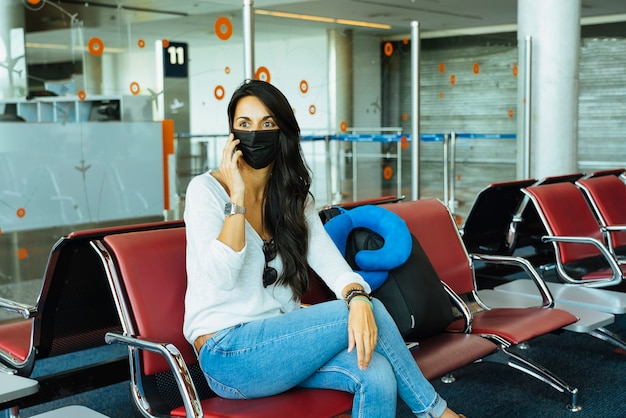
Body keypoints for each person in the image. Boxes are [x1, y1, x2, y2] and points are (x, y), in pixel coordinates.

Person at [183, 79, 464, 418]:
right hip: (227, 355)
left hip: (283, 347)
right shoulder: (206, 191)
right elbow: (222, 277)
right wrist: (238, 199)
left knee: (376, 373)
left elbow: (332, 265)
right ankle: (436, 412)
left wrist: (356, 296)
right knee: (366, 308)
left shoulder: (292, 199)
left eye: (267, 124)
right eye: (244, 124)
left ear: (283, 132)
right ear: (231, 134)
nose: (255, 133)